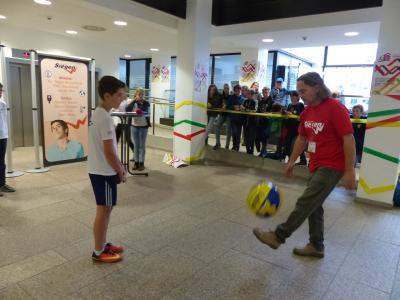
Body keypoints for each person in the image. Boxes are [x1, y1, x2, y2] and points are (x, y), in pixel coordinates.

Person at [253, 72, 356, 258]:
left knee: (306, 201)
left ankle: (278, 236)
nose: (301, 95)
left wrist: (350, 171)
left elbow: (348, 139)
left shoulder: (335, 108)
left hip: (333, 165)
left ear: (317, 88)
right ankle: (316, 245)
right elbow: (302, 138)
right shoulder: (307, 111)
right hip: (315, 163)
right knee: (314, 205)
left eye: (304, 91)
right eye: (299, 91)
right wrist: (291, 160)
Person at [88, 75, 127, 263]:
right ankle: (98, 251)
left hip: (100, 170)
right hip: (103, 171)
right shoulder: (103, 118)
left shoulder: (100, 114)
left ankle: (103, 244)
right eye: (119, 95)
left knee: (107, 208)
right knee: (104, 210)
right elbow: (109, 151)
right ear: (107, 95)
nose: (122, 98)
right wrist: (120, 169)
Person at [126, 88, 150, 171]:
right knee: (136, 145)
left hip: (143, 126)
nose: (141, 96)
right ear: (135, 94)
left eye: (142, 94)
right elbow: (127, 109)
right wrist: (134, 101)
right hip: (134, 126)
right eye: (139, 94)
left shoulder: (146, 103)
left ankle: (141, 163)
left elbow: (143, 111)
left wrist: (139, 103)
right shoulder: (132, 102)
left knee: (142, 145)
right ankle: (136, 163)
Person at [283, 91, 307, 165]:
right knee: (288, 144)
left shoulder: (300, 105)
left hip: (297, 128)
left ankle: (302, 160)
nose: (292, 98)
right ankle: (291, 159)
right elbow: (289, 115)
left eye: (293, 97)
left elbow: (301, 116)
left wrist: (292, 114)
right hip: (290, 127)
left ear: (297, 97)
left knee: (297, 144)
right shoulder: (289, 105)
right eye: (291, 97)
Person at [0, 83, 15, 194]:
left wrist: (5, 133)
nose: (0, 92)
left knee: (1, 162)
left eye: (1, 90)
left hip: (2, 136)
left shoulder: (3, 104)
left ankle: (2, 184)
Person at [255, 87, 273, 157]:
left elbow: (273, 111)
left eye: (266, 92)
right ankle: (261, 150)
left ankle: (263, 152)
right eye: (264, 92)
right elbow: (258, 110)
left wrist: (269, 114)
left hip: (268, 122)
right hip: (260, 121)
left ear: (269, 93)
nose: (265, 94)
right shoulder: (261, 101)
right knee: (258, 137)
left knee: (265, 137)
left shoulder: (271, 101)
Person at [226, 84, 244, 151]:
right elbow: (228, 106)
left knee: (238, 133)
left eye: (238, 90)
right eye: (236, 90)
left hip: (240, 119)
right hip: (233, 118)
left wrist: (241, 108)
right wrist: (233, 107)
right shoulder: (231, 97)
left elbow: (244, 108)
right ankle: (234, 145)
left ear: (240, 90)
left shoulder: (243, 98)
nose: (237, 92)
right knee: (234, 132)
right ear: (234, 90)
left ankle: (237, 146)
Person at [205, 84, 223, 149]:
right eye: (211, 90)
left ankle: (202, 140)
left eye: (213, 90)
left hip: (214, 114)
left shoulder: (218, 96)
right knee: (206, 127)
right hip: (207, 113)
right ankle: (205, 141)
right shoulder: (207, 96)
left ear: (215, 90)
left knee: (209, 128)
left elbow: (217, 104)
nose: (212, 91)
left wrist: (210, 105)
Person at [242, 89, 258, 154]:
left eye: (249, 94)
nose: (247, 95)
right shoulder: (245, 101)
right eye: (247, 94)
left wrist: (245, 109)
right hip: (245, 121)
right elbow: (242, 108)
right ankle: (248, 150)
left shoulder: (255, 101)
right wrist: (241, 108)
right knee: (246, 137)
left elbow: (254, 110)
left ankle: (251, 150)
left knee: (251, 137)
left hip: (253, 122)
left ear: (252, 94)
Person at [220, 83, 232, 150]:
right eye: (225, 88)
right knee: (217, 124)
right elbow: (219, 104)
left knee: (228, 130)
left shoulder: (231, 96)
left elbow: (232, 105)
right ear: (223, 89)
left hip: (229, 115)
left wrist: (226, 105)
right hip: (222, 114)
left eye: (227, 88)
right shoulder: (221, 96)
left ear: (229, 89)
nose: (226, 89)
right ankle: (218, 143)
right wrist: (222, 105)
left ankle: (227, 145)